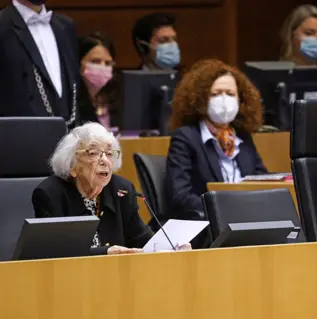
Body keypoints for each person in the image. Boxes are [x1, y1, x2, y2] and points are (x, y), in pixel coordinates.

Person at [32, 122, 191, 255]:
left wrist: (170, 248)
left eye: (109, 153)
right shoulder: (50, 194)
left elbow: (142, 240)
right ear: (72, 165)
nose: (104, 161)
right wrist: (105, 252)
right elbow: (54, 254)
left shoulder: (121, 190)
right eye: (93, 153)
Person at [165, 59, 267, 222]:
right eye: (216, 93)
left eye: (230, 94)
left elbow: (262, 181)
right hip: (208, 223)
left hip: (247, 219)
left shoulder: (243, 137)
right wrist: (223, 209)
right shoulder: (186, 138)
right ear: (200, 99)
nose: (224, 100)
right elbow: (180, 196)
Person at [0, 0, 79, 129]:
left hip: (69, 137)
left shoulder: (66, 26)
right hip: (18, 139)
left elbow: (74, 89)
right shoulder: (3, 27)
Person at [78, 32, 121, 130]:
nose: (102, 67)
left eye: (108, 63)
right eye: (95, 62)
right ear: (78, 63)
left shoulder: (119, 100)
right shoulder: (70, 104)